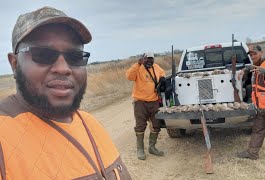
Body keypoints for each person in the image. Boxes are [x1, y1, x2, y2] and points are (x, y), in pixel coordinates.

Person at [0, 7, 131, 180]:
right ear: (15, 64)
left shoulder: (90, 122)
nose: (63, 68)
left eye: (75, 56)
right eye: (43, 54)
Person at [126, 52, 165, 160]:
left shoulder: (156, 67)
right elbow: (129, 76)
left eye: (151, 59)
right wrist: (137, 64)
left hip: (154, 101)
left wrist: (162, 78)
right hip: (140, 102)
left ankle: (152, 147)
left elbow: (162, 73)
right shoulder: (138, 68)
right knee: (140, 125)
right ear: (143, 59)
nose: (149, 61)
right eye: (147, 59)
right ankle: (140, 150)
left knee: (156, 125)